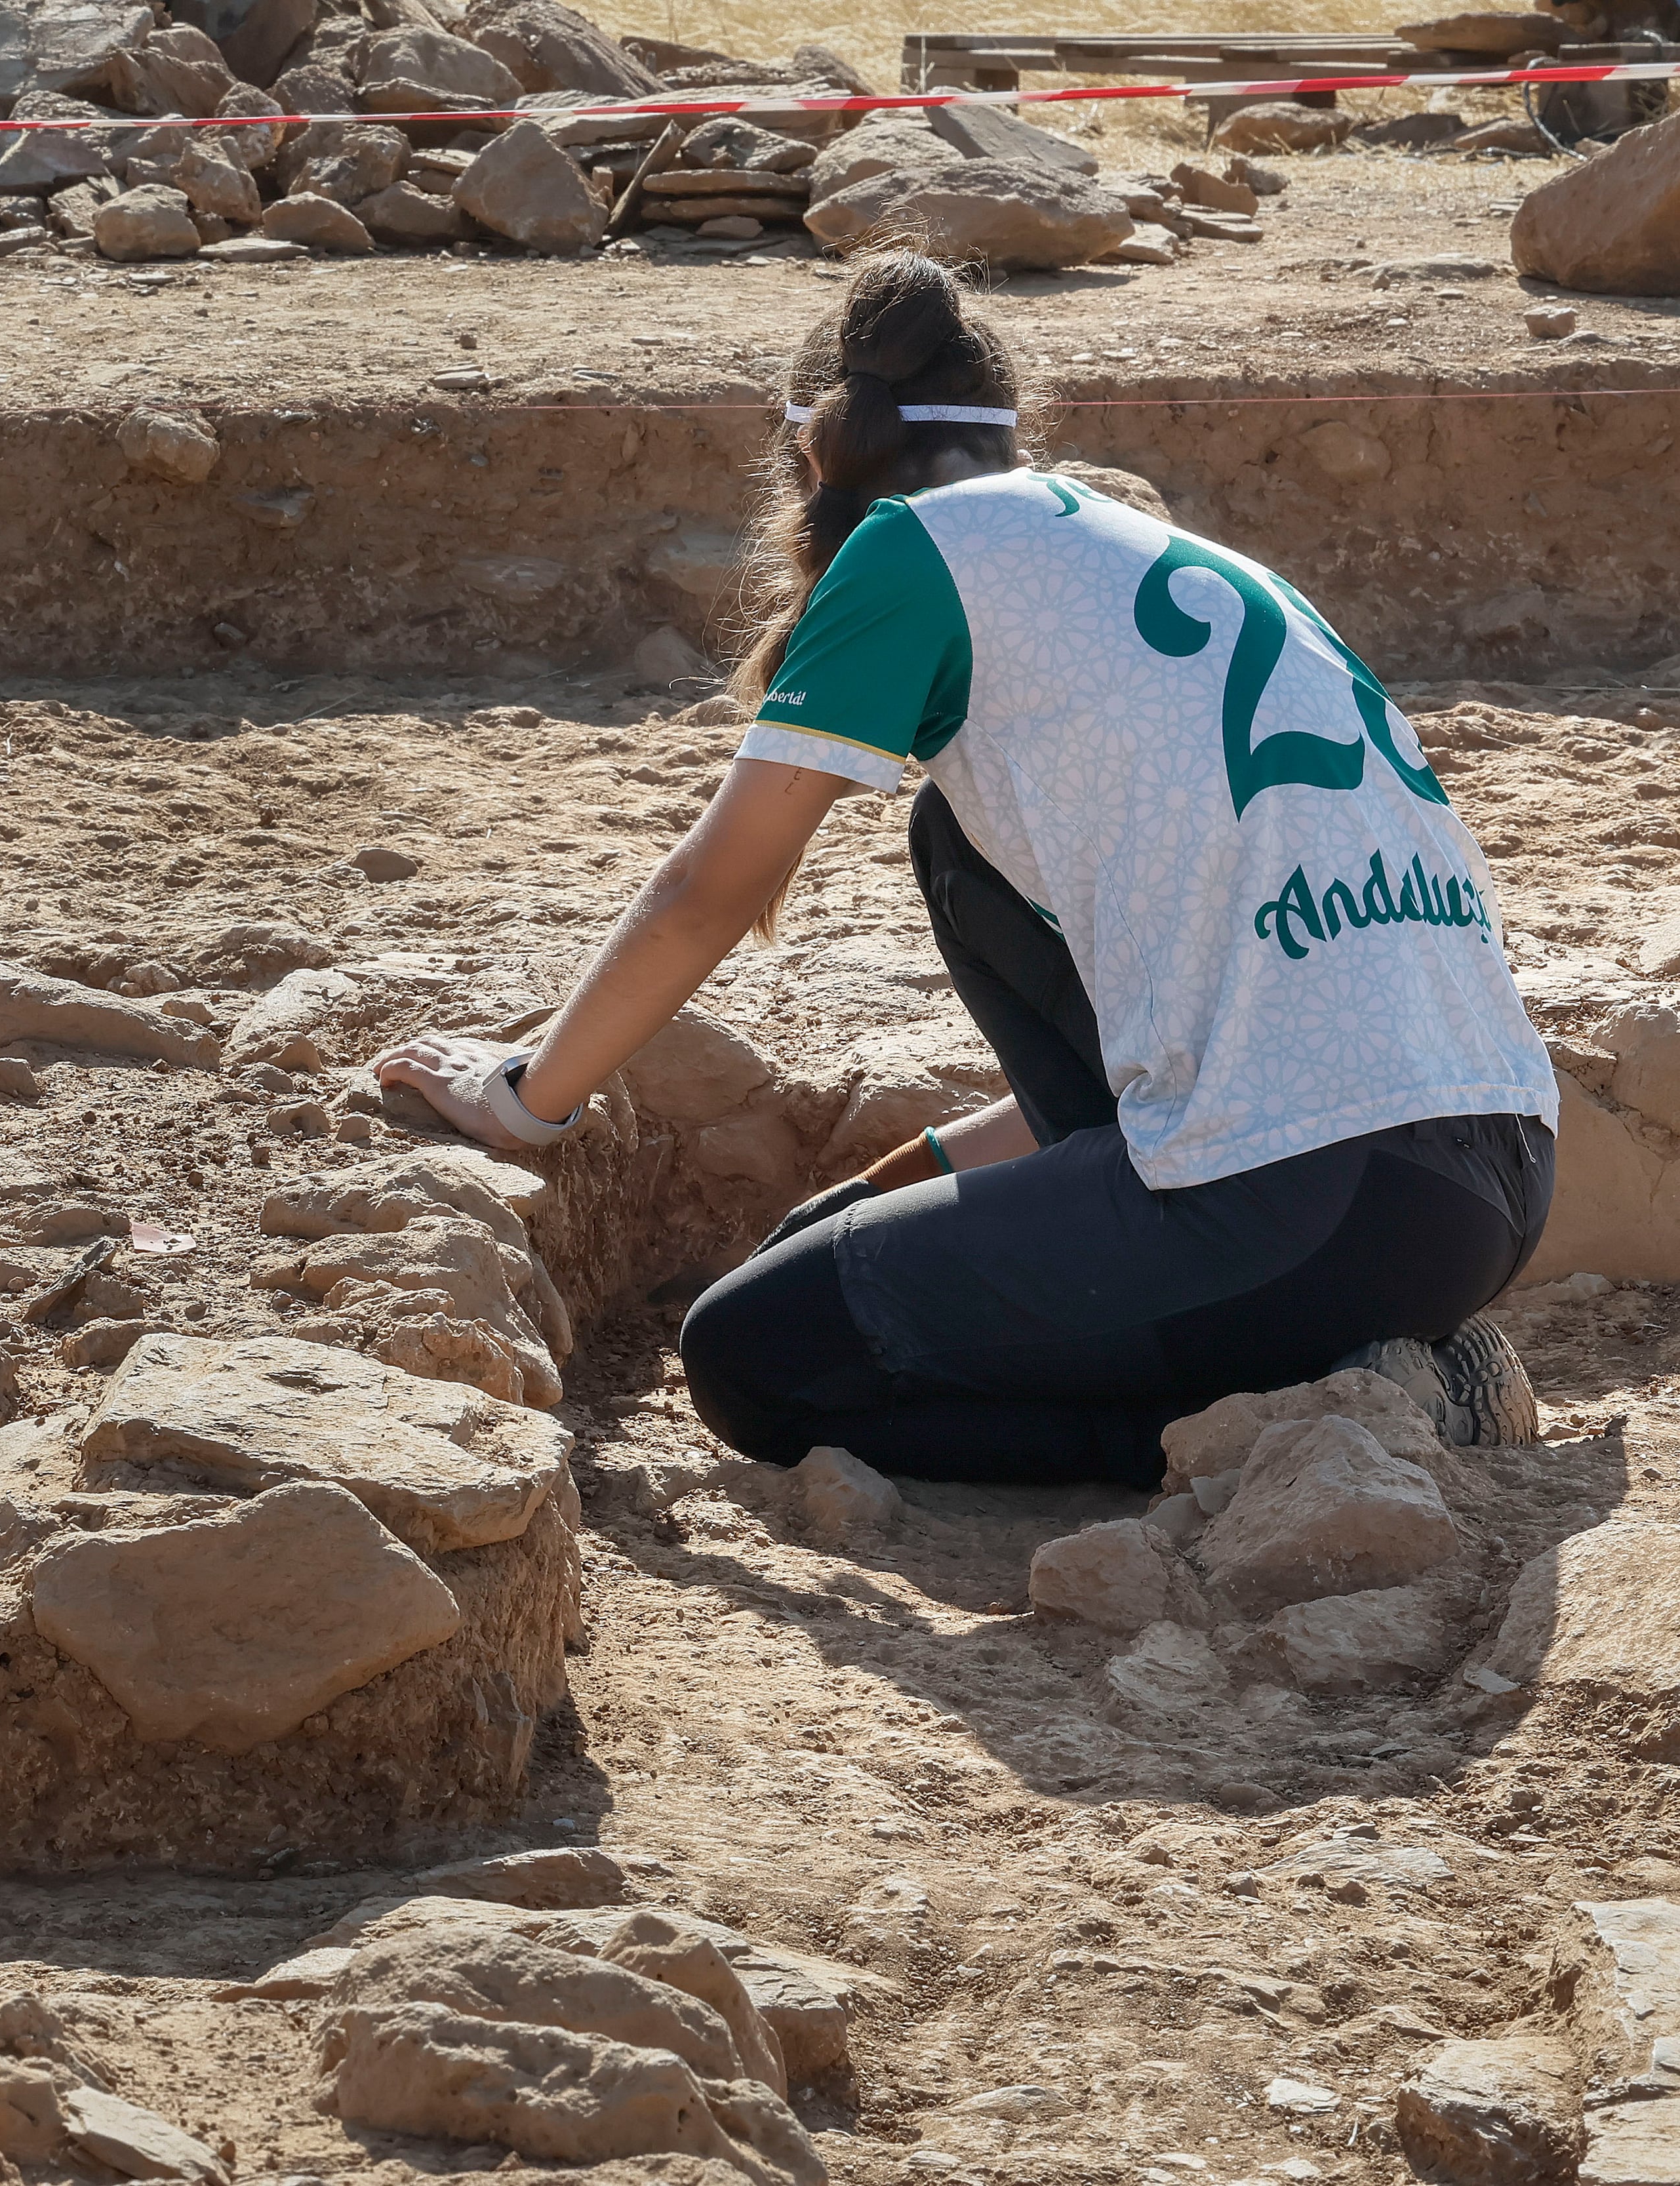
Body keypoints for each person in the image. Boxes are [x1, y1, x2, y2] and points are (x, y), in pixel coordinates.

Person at [374, 254, 1555, 1488]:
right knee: (947, 847)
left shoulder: (910, 549)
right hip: (1490, 1187)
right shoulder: (1152, 551)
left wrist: (525, 1095)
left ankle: (1292, 1423)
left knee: (750, 1356)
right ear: (1005, 431)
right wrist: (896, 1186)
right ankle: (1361, 1362)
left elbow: (710, 891)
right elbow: (1194, 1054)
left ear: (814, 459)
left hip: (1301, 1199)